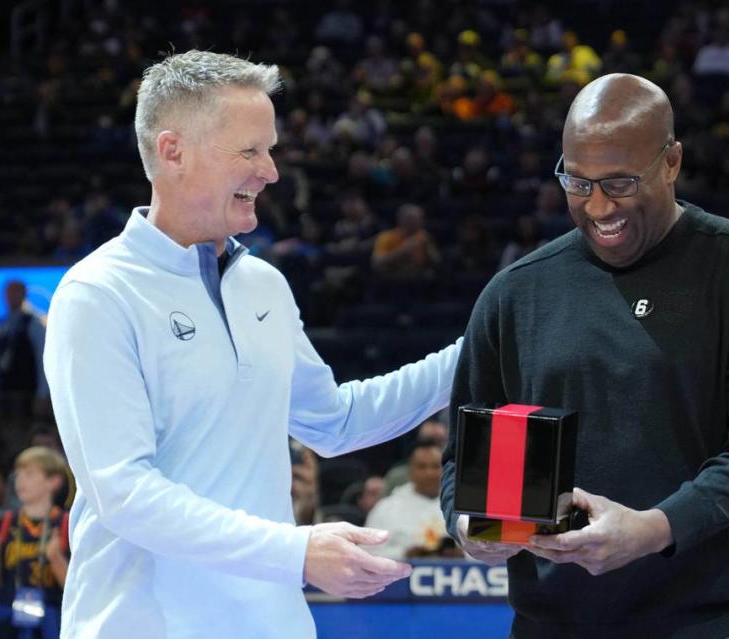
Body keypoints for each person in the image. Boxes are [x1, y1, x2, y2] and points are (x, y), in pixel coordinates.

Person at [42, 50, 461, 639]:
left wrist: (481, 347)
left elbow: (334, 422)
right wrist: (294, 552)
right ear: (172, 151)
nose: (271, 172)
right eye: (250, 151)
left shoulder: (263, 282)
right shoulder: (98, 294)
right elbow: (126, 494)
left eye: (270, 150)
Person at [440, 73, 729, 638]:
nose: (596, 206)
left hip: (723, 617)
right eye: (576, 181)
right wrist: (473, 529)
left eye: (618, 182)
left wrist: (654, 529)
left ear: (672, 163)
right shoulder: (515, 293)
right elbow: (462, 461)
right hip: (558, 623)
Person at [0, 446, 71, 639]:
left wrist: (56, 558)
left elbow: (77, 588)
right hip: (8, 623)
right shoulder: (4, 522)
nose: (19, 480)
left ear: (53, 481)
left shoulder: (67, 524)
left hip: (53, 624)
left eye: (29, 474)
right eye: (18, 474)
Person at [0, 280, 50, 462]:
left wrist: (43, 394)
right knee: (5, 437)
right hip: (5, 392)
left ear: (23, 294)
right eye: (8, 293)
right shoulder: (1, 325)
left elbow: (42, 359)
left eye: (15, 292)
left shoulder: (34, 323)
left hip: (28, 392)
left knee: (26, 435)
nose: (10, 297)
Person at [365, 440, 449, 560]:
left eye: (435, 466)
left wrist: (462, 555)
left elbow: (484, 550)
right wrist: (404, 554)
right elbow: (367, 554)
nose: (429, 473)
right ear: (410, 471)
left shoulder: (462, 506)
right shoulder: (385, 509)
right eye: (422, 466)